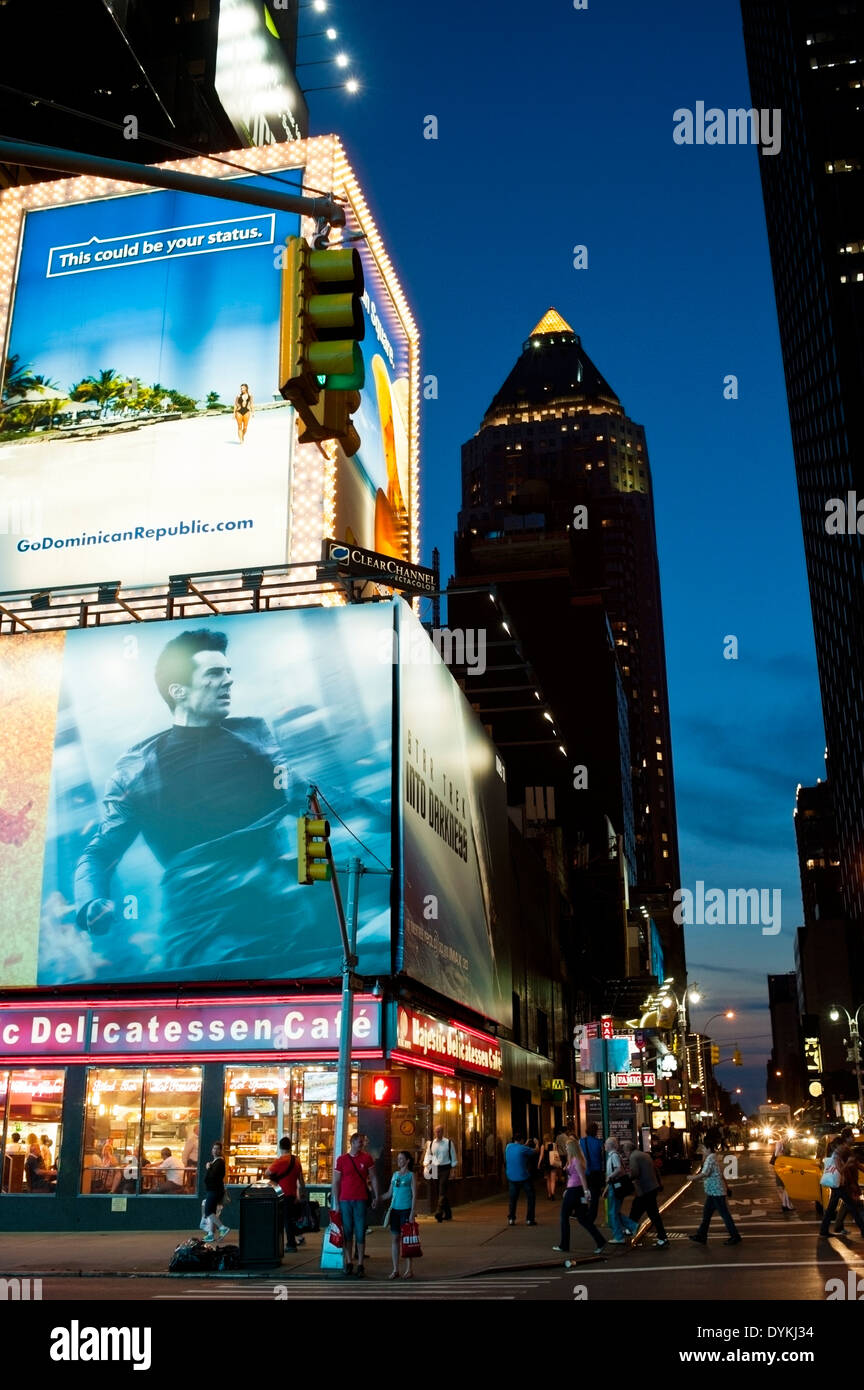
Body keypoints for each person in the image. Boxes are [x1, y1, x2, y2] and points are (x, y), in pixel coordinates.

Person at [73, 628, 314, 980]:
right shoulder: (137, 768)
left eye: (229, 672)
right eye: (215, 674)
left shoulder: (255, 735)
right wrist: (90, 903)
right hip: (204, 940)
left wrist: (311, 880)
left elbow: (310, 808)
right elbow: (99, 853)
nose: (229, 681)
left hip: (286, 925)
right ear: (179, 691)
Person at [332, 1132, 378, 1277]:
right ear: (352, 1143)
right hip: (345, 1199)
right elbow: (336, 1182)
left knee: (360, 1232)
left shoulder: (367, 1158)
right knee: (347, 1232)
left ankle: (360, 1264)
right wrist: (337, 1202)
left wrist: (376, 1195)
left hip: (360, 1199)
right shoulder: (342, 1160)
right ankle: (348, 1261)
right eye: (359, 1142)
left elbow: (373, 1177)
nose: (362, 1144)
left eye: (362, 1142)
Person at [688, 1128, 742, 1246]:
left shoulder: (711, 1158)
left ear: (708, 1149)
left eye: (703, 1149)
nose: (702, 1150)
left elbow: (705, 1173)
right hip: (713, 1192)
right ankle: (701, 1235)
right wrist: (727, 1188)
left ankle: (735, 1236)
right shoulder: (712, 1158)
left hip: (716, 1192)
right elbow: (720, 1174)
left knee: (724, 1215)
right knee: (706, 1215)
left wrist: (692, 1178)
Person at [552, 1139, 607, 1255]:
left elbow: (582, 1177)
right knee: (582, 1219)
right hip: (575, 1191)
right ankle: (600, 1241)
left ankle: (564, 1245)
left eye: (567, 1147)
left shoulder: (576, 1160)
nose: (566, 1149)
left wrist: (586, 1192)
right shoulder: (574, 1160)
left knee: (564, 1217)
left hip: (575, 1191)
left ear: (571, 1148)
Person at [378, 1150, 418, 1280]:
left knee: (406, 1241)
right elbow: (389, 1193)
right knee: (395, 1239)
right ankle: (395, 1269)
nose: (399, 1161)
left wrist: (412, 1212)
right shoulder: (395, 1175)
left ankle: (409, 1269)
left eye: (401, 1159)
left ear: (407, 1161)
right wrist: (378, 1198)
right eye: (398, 1159)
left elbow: (414, 1195)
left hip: (406, 1210)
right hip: (394, 1210)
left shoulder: (411, 1176)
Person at [625, 1140, 669, 1248]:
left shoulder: (633, 1157)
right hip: (652, 1187)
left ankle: (630, 1229)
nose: (625, 1154)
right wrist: (659, 1183)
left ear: (627, 1150)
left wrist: (626, 1177)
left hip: (644, 1189)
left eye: (625, 1152)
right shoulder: (645, 1155)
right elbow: (655, 1169)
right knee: (651, 1213)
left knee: (638, 1209)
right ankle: (662, 1237)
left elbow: (635, 1172)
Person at [819, 1140, 864, 1239]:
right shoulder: (836, 1156)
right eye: (842, 1145)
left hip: (839, 1186)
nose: (843, 1147)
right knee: (853, 1207)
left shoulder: (840, 1154)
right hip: (839, 1186)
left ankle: (823, 1230)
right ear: (838, 1146)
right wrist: (848, 1163)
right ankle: (863, 1229)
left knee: (832, 1209)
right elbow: (840, 1170)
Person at [268, 1136, 305, 1253]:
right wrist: (301, 1193)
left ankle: (291, 1244)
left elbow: (267, 1172)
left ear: (280, 1147)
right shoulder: (296, 1160)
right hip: (293, 1193)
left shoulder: (280, 1161)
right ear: (290, 1147)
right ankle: (299, 1236)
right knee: (292, 1217)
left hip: (282, 1193)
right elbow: (301, 1180)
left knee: (287, 1220)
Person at [604, 1135, 639, 1243]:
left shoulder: (613, 1156)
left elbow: (618, 1169)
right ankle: (631, 1226)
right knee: (614, 1212)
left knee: (613, 1212)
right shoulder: (614, 1155)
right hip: (615, 1186)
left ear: (610, 1145)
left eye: (605, 1144)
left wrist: (609, 1177)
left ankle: (619, 1236)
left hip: (615, 1187)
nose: (604, 1146)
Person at [423, 1125, 457, 1222]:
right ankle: (448, 1213)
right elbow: (428, 1155)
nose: (438, 1133)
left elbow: (453, 1157)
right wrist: (425, 1165)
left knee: (442, 1189)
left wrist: (453, 1170)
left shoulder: (448, 1143)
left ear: (443, 1132)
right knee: (439, 1191)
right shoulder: (431, 1143)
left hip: (445, 1167)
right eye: (436, 1131)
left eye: (440, 1131)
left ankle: (439, 1212)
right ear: (434, 1132)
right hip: (434, 1168)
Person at [504, 1134, 537, 1226]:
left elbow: (518, 1148)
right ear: (522, 1140)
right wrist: (537, 1144)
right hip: (523, 1176)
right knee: (531, 1196)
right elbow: (535, 1151)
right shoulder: (523, 1149)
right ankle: (530, 1219)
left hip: (511, 1176)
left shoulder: (508, 1146)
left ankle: (511, 1218)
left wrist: (524, 1144)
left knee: (513, 1198)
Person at [201, 1140, 230, 1244]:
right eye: (214, 1148)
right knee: (212, 1212)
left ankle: (222, 1228)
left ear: (221, 1151)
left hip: (214, 1190)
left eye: (217, 1149)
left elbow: (213, 1176)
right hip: (214, 1190)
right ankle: (210, 1234)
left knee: (208, 1211)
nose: (215, 1150)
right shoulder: (216, 1162)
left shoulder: (219, 1162)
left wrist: (208, 1168)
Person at [580, 1122, 606, 1223]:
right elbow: (602, 1157)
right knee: (595, 1196)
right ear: (596, 1131)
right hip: (596, 1171)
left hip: (585, 1171)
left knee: (584, 1193)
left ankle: (583, 1212)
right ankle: (591, 1216)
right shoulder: (599, 1142)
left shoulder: (582, 1141)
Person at [770, 1134, 794, 1214]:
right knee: (786, 1186)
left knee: (786, 1187)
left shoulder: (783, 1144)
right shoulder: (779, 1143)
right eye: (786, 1138)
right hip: (780, 1167)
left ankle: (785, 1205)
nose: (787, 1140)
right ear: (783, 1137)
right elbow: (776, 1154)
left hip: (783, 1166)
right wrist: (784, 1154)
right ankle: (785, 1205)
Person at [539, 1132, 562, 1200]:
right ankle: (553, 1194)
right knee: (553, 1180)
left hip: (546, 1164)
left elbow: (541, 1155)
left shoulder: (543, 1146)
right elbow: (556, 1154)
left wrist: (539, 1163)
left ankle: (549, 1194)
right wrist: (559, 1162)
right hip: (553, 1163)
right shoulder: (554, 1145)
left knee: (548, 1180)